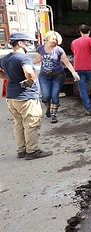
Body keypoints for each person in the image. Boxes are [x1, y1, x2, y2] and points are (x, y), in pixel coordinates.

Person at [0, 32, 52, 160]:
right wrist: (30, 80)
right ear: (20, 43)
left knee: (18, 124)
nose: (29, 45)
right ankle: (32, 151)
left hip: (11, 97)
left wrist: (10, 78)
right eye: (28, 42)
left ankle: (21, 150)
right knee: (31, 123)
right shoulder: (23, 58)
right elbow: (28, 71)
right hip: (26, 97)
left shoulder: (5, 59)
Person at [33, 31, 80, 123]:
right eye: (53, 39)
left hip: (57, 75)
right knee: (46, 96)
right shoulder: (40, 49)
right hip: (44, 76)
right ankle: (48, 107)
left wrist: (74, 73)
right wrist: (26, 63)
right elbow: (38, 59)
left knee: (55, 95)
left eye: (56, 40)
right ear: (47, 38)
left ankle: (54, 115)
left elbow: (66, 62)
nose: (55, 41)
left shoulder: (59, 50)